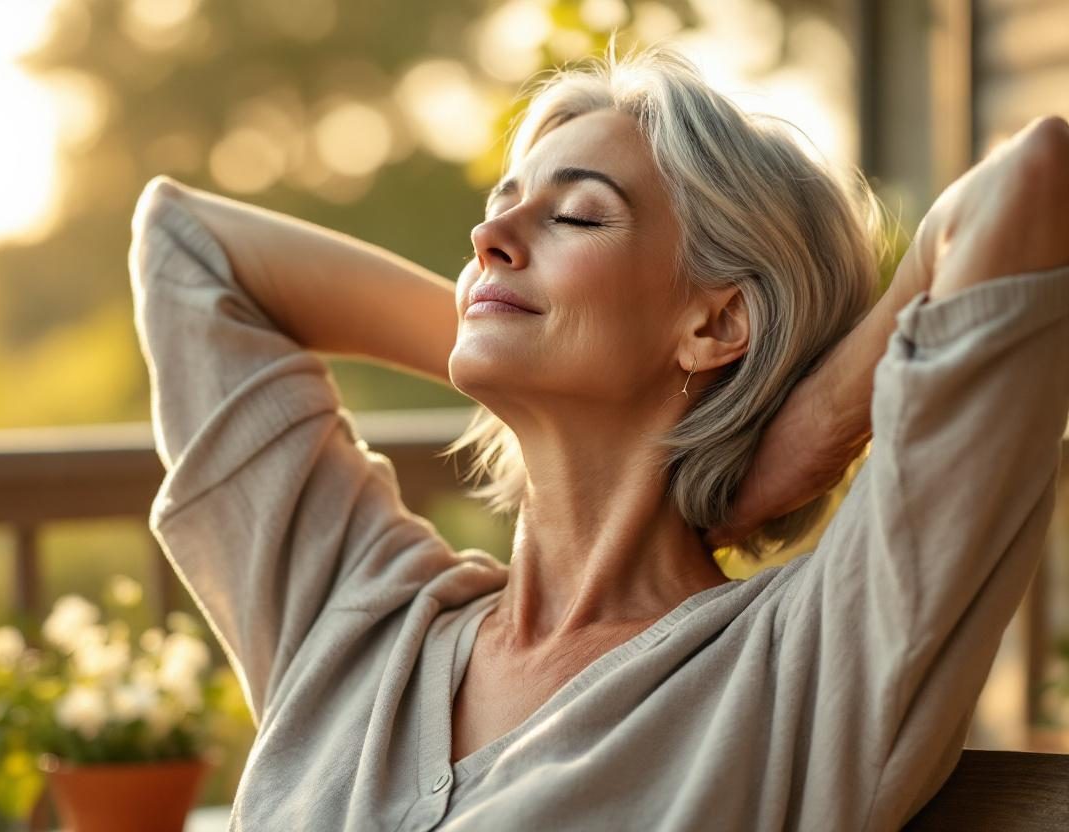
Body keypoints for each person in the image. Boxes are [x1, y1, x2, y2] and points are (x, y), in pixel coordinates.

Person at [127, 44, 1069, 831]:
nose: (490, 230)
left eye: (577, 213)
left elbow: (1031, 187)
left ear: (715, 325)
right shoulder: (362, 621)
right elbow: (184, 243)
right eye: (502, 205)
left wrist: (809, 424)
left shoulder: (803, 664)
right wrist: (504, 327)